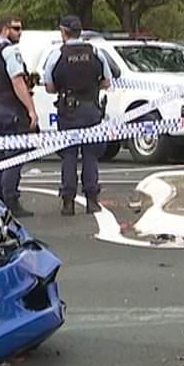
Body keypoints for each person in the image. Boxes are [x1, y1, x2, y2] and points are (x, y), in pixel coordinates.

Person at [42, 15, 113, 216]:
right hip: (92, 109)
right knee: (90, 155)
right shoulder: (95, 52)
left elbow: (48, 86)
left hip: (69, 111)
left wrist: (64, 89)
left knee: (69, 155)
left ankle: (68, 202)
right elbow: (107, 82)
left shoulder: (58, 55)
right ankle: (92, 201)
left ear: (63, 32)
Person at [0, 16, 38, 218]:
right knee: (13, 158)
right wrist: (31, 109)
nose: (20, 32)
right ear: (5, 30)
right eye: (16, 29)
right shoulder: (10, 52)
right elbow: (18, 83)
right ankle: (10, 201)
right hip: (11, 110)